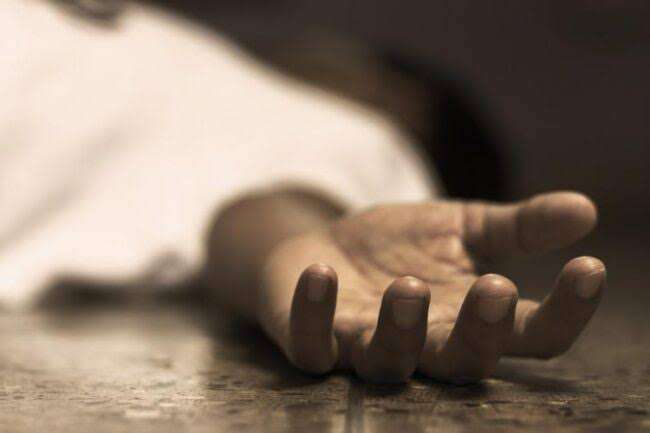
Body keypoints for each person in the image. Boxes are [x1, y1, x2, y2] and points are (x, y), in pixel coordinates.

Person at [1, 0, 605, 384]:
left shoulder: (356, 134)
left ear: (397, 101)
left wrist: (308, 253)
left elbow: (275, 212)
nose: (322, 45)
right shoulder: (189, 60)